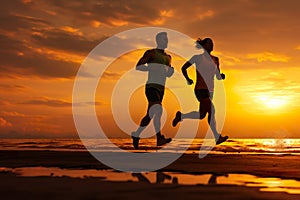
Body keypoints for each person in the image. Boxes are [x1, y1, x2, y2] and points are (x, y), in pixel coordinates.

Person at [172, 38, 228, 145]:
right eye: (209, 43)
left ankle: (181, 116)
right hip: (200, 88)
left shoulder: (216, 59)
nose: (212, 45)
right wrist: (188, 79)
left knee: (202, 115)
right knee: (212, 111)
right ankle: (217, 136)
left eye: (213, 43)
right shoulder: (198, 58)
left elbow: (217, 76)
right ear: (204, 46)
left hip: (211, 90)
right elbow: (184, 68)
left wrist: (222, 76)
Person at [131, 32, 174, 149]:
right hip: (151, 86)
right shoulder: (151, 53)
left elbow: (167, 73)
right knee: (158, 110)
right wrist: (152, 67)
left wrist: (170, 72)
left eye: (167, 39)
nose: (166, 41)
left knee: (151, 115)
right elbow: (139, 66)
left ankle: (136, 134)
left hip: (161, 88)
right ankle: (159, 138)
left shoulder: (169, 57)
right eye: (163, 39)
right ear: (158, 41)